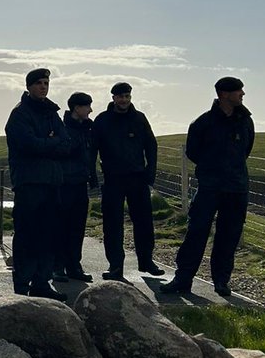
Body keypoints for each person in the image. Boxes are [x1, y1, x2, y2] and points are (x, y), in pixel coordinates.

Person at [164, 77, 254, 297]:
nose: (243, 94)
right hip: (209, 187)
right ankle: (183, 279)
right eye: (238, 91)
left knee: (229, 235)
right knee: (197, 232)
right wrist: (212, 170)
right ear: (224, 94)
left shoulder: (245, 121)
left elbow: (246, 150)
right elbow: (193, 152)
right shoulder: (202, 123)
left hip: (236, 188)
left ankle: (221, 281)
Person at [5, 68, 70, 299]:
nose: (44, 86)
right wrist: (50, 142)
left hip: (52, 182)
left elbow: (66, 144)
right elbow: (27, 145)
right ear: (29, 86)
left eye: (46, 83)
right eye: (39, 83)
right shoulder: (20, 114)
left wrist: (48, 144)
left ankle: (42, 282)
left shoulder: (52, 113)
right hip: (29, 182)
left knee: (48, 234)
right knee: (26, 234)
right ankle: (22, 284)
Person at [91, 81, 163, 280]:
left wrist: (151, 172)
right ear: (113, 98)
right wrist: (93, 173)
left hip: (137, 178)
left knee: (144, 222)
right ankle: (115, 266)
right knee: (112, 225)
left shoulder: (139, 118)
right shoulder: (103, 120)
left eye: (127, 96)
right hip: (113, 179)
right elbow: (92, 149)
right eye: (120, 96)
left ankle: (146, 261)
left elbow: (151, 146)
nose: (124, 100)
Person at [54, 92, 97, 282]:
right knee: (61, 226)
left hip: (81, 182)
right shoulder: (63, 128)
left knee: (78, 226)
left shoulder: (88, 128)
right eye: (87, 106)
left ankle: (74, 266)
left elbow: (91, 155)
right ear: (77, 108)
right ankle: (57, 267)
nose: (90, 110)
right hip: (64, 183)